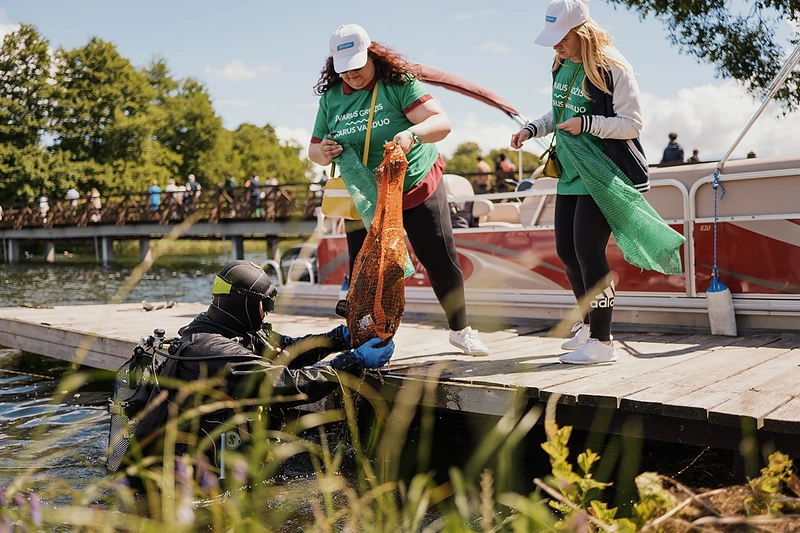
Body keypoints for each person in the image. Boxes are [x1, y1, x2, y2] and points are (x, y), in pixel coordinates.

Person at [308, 23, 489, 356]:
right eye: (343, 69)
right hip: (365, 196)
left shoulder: (397, 84)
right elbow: (314, 151)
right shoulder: (332, 99)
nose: (350, 75)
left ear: (372, 55)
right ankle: (367, 340)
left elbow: (441, 122)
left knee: (439, 258)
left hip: (415, 182)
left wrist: (413, 135)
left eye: (357, 66)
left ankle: (461, 330)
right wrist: (326, 151)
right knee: (366, 270)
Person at [130, 260, 393, 480]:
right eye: (265, 305)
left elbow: (289, 350)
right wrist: (353, 361)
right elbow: (287, 385)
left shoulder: (228, 328)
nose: (267, 313)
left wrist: (338, 338)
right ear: (244, 303)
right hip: (189, 481)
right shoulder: (212, 351)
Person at [511, 0, 649, 364]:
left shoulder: (613, 66)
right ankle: (588, 327)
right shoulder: (560, 63)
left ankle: (603, 343)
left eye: (561, 38)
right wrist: (532, 128)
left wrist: (588, 125)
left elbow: (632, 124)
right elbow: (561, 113)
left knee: (589, 252)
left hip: (604, 173)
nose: (555, 46)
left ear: (582, 32)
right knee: (567, 252)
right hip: (571, 173)